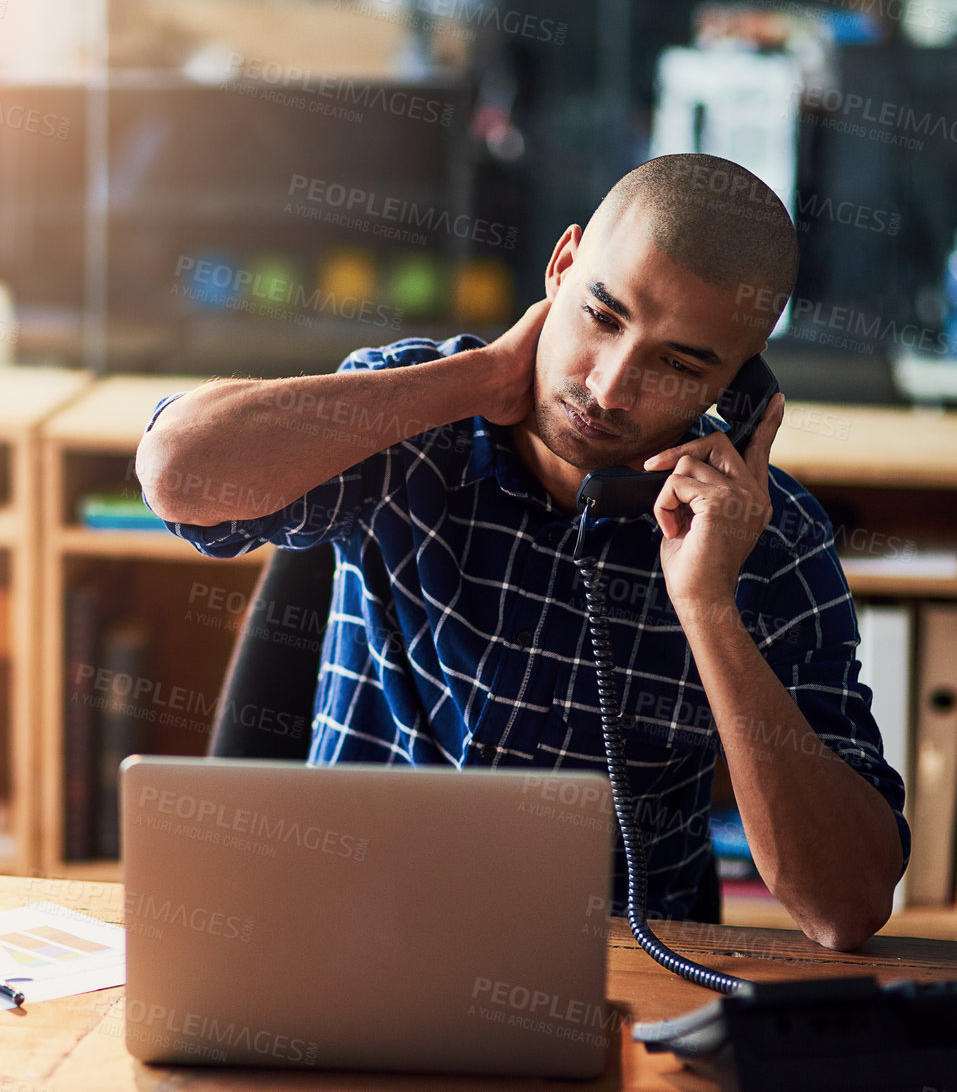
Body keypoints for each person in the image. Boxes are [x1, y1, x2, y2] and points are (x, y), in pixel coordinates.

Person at [135, 154, 908, 951]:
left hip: (605, 978)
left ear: (736, 387)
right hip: (343, 940)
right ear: (561, 266)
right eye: (601, 317)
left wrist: (708, 606)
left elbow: (843, 905)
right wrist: (477, 379)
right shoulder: (414, 413)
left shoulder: (769, 542)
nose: (609, 388)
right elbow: (174, 472)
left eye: (677, 364)